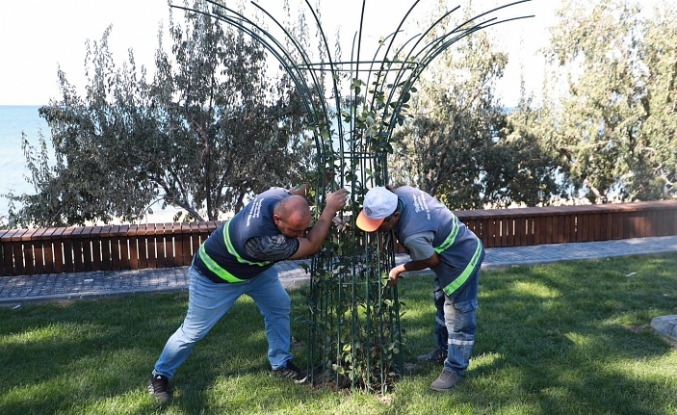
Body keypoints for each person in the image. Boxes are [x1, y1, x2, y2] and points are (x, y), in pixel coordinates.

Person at [148, 184, 349, 403]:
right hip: (215, 277)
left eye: (303, 229)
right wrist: (329, 210)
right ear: (277, 219)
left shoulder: (275, 196)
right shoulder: (261, 241)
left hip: (254, 272)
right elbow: (311, 244)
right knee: (192, 332)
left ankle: (281, 364)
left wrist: (313, 184)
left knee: (279, 306)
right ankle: (160, 375)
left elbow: (295, 193)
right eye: (294, 231)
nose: (299, 235)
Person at [355, 186, 484, 392]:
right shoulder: (403, 192)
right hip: (450, 255)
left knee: (458, 314)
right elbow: (389, 189)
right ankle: (443, 350)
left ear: (395, 216)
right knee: (441, 302)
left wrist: (398, 270)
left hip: (462, 261)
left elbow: (431, 260)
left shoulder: (412, 234)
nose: (377, 230)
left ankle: (455, 369)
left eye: (380, 225)